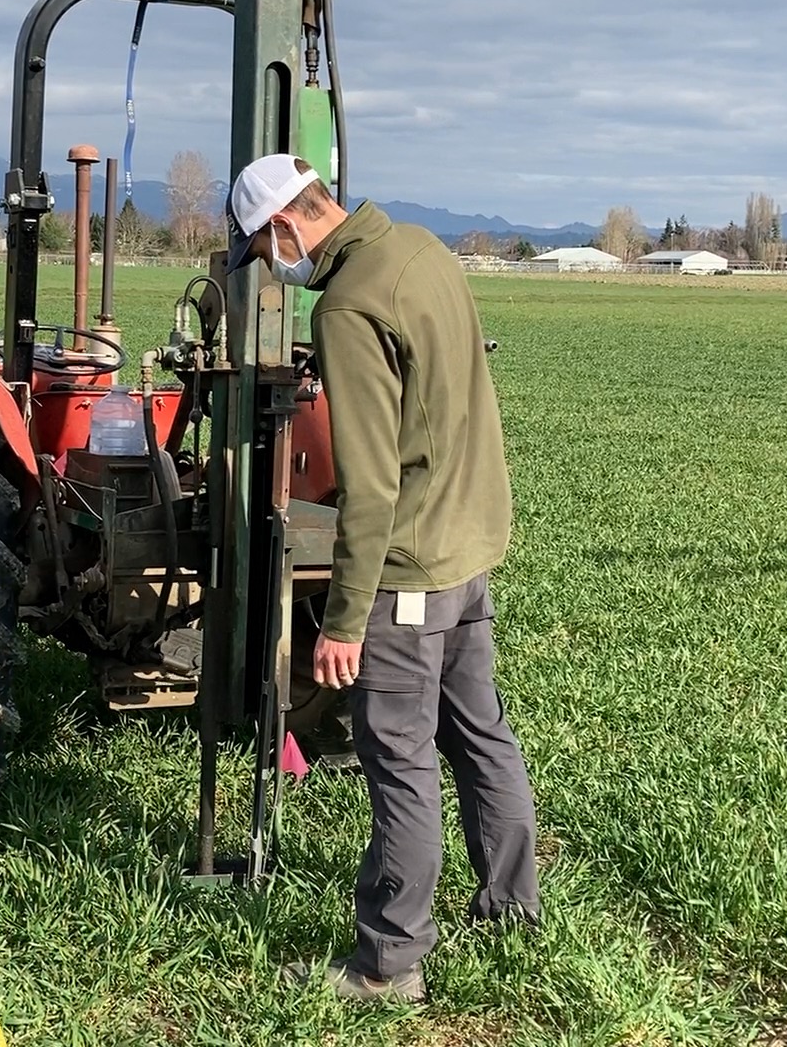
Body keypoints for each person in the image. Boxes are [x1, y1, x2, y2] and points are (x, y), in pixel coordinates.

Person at [225, 154, 542, 1004]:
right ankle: (512, 908)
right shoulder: (420, 250)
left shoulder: (350, 305)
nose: (272, 269)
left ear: (286, 226)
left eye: (264, 251)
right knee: (480, 735)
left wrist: (343, 619)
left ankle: (389, 961)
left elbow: (369, 483)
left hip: (408, 567)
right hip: (470, 546)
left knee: (397, 759)